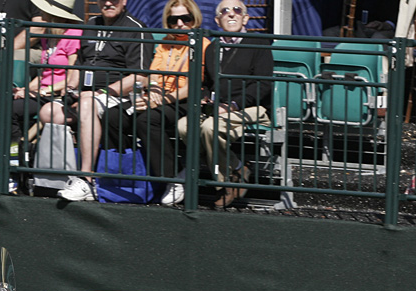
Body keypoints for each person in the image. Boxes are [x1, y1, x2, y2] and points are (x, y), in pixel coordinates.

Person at [40, 0, 152, 202]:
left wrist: (103, 91)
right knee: (49, 112)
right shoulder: (91, 23)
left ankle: (86, 179)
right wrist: (71, 89)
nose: (108, 3)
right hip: (84, 93)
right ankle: (57, 176)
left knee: (87, 104)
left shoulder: (136, 29)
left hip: (118, 95)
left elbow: (140, 77)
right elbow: (79, 65)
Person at [109, 0, 206, 206]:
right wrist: (152, 91)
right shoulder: (164, 42)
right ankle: (124, 171)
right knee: (113, 115)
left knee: (147, 120)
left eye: (185, 18)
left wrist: (159, 100)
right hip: (157, 96)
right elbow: (152, 74)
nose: (180, 24)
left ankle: (171, 179)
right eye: (173, 20)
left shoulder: (202, 43)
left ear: (194, 18)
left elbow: (193, 85)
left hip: (183, 100)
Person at [177, 0, 271, 208]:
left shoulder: (259, 44)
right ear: (218, 20)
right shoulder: (212, 48)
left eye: (237, 10)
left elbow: (263, 85)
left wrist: (234, 105)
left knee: (210, 128)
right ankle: (237, 167)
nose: (231, 14)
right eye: (224, 11)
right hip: (217, 107)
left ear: (245, 18)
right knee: (184, 126)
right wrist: (204, 97)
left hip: (251, 108)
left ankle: (226, 184)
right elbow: (206, 83)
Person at [0, 0, 83, 144]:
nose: (40, 12)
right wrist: (26, 89)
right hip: (42, 92)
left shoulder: (74, 35)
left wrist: (42, 91)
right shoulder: (48, 36)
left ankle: (13, 155)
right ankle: (0, 152)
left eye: (44, 10)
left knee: (6, 109)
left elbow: (72, 79)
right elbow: (44, 73)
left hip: (58, 96)